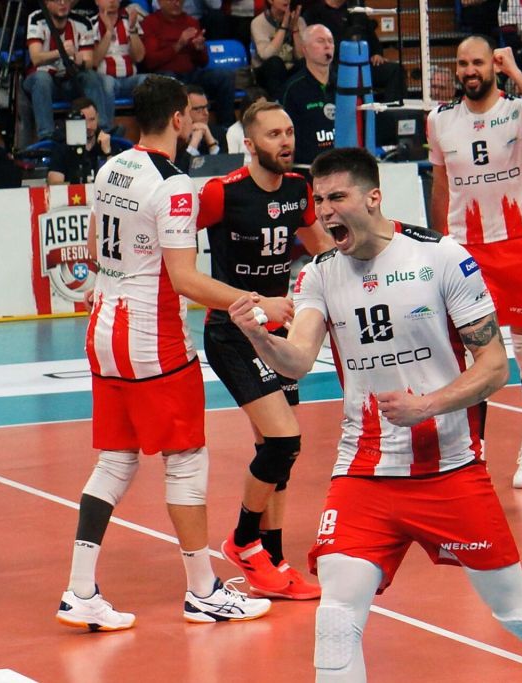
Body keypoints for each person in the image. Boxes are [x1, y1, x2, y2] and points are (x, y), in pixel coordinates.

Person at [227, 146, 522, 683]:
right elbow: (298, 361)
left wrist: (427, 405)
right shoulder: (320, 275)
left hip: (449, 470)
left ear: (373, 198)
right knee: (336, 618)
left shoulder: (441, 257)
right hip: (363, 472)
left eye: (337, 197)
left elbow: (495, 366)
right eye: (319, 200)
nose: (325, 211)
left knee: (518, 613)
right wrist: (259, 337)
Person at [55, 74, 274, 631]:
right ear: (179, 118)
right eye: (192, 112)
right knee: (186, 459)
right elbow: (184, 279)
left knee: (115, 460)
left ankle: (80, 590)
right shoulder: (174, 185)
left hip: (104, 328)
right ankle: (203, 591)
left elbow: (95, 248)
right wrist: (257, 301)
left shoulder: (110, 167)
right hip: (153, 339)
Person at [196, 99, 333, 600]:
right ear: (250, 144)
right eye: (274, 134)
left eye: (289, 131)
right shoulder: (222, 193)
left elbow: (322, 249)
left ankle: (272, 559)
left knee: (276, 453)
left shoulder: (298, 189)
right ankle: (243, 541)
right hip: (231, 332)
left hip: (276, 334)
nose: (286, 141)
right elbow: (173, 248)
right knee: (283, 442)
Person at [428, 36, 522, 489]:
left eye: (478, 62)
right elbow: (441, 185)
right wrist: (437, 244)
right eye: (462, 63)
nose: (470, 70)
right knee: (475, 356)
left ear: (494, 65)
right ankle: (474, 452)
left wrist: (518, 75)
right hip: (467, 250)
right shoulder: (440, 120)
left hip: (520, 244)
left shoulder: (519, 110)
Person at [23, 0, 110, 142]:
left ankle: (102, 130)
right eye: (57, 0)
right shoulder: (36, 18)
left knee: (90, 76)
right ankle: (46, 138)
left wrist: (80, 61)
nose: (63, 3)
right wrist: (61, 52)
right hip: (43, 82)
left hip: (70, 81)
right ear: (47, 3)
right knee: (41, 79)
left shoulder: (83, 22)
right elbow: (36, 58)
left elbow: (89, 62)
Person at [141, 0, 237, 125]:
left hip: (191, 74)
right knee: (169, 81)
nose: (177, 3)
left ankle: (226, 126)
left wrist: (199, 49)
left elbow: (203, 62)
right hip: (165, 75)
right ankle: (175, 127)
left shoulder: (191, 22)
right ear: (160, 2)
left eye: (180, 0)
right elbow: (151, 61)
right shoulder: (150, 22)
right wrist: (179, 44)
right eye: (171, 0)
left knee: (225, 76)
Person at [301, 0, 404, 103]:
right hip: (334, 67)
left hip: (363, 66)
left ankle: (392, 110)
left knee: (395, 70)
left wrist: (377, 53)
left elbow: (372, 39)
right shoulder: (313, 13)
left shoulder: (356, 11)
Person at [280, 24, 336, 166]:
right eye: (320, 41)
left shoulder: (344, 84)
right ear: (305, 49)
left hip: (342, 163)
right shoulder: (293, 88)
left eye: (330, 41)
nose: (327, 46)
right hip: (307, 166)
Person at [91, 0, 147, 125]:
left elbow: (139, 57)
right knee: (107, 83)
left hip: (129, 80)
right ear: (96, 1)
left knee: (147, 81)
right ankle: (106, 128)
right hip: (105, 80)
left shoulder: (129, 21)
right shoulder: (91, 23)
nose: (112, 1)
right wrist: (109, 32)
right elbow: (94, 61)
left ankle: (149, 128)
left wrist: (132, 30)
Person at [46, 97, 123, 185]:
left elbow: (119, 184)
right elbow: (55, 186)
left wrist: (108, 153)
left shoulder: (108, 144)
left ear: (97, 117)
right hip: (74, 193)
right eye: (84, 121)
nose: (88, 126)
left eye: (92, 119)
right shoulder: (62, 147)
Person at [250, 0, 306, 100]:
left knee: (306, 63)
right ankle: (278, 104)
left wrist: (295, 29)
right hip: (266, 71)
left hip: (290, 70)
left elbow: (301, 56)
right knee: (275, 63)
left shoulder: (299, 21)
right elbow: (266, 55)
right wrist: (283, 26)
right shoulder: (258, 23)